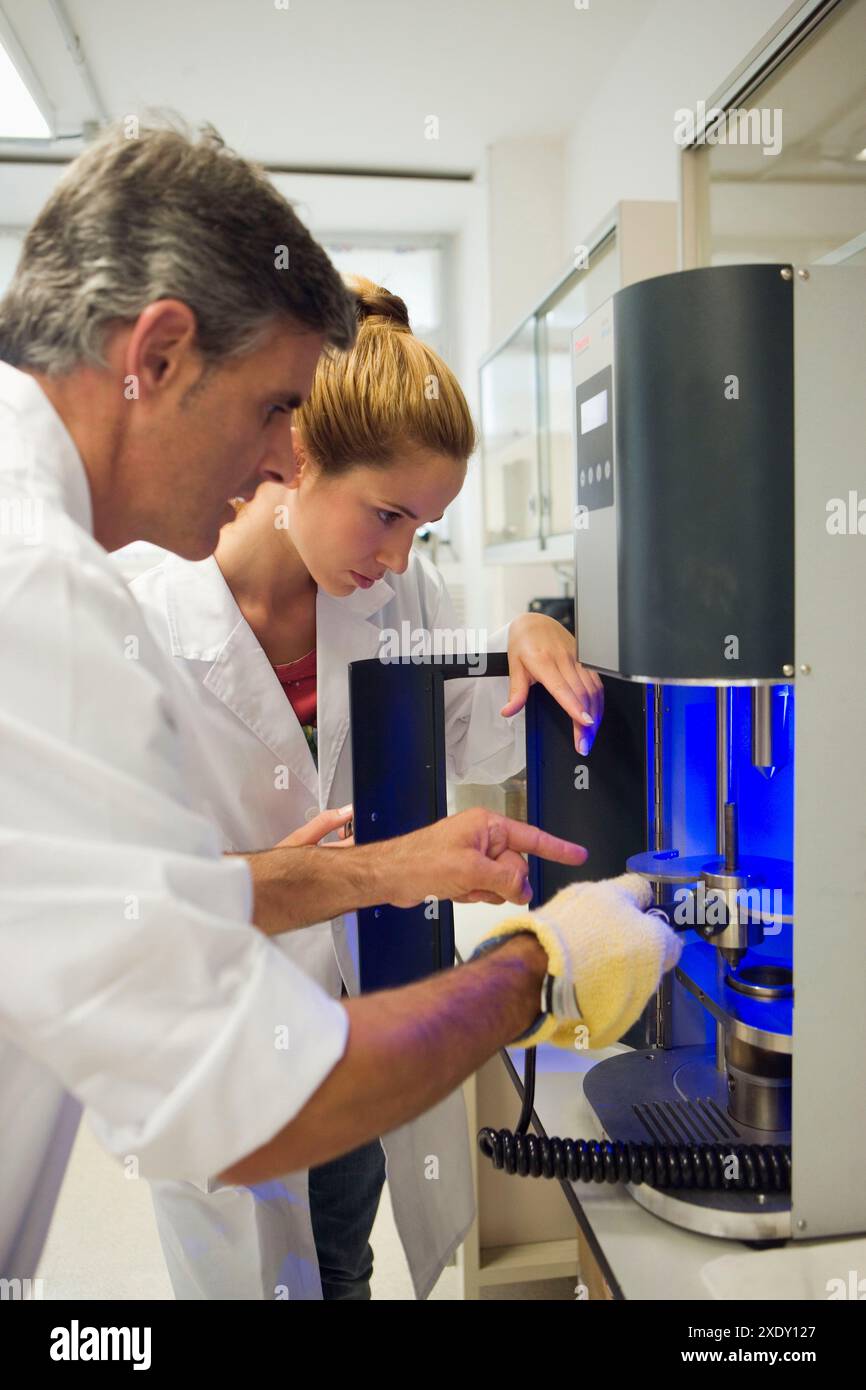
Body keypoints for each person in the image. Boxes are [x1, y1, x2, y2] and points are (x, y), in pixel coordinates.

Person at [0, 121, 679, 1290]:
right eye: (274, 410)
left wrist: (386, 867)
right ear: (156, 356)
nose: (278, 461)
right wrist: (540, 966)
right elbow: (226, 1086)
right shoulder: (51, 587)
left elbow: (151, 894)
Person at [131, 275, 605, 1300]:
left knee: (340, 1262)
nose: (395, 557)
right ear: (296, 456)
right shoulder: (143, 613)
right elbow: (123, 897)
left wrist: (529, 634)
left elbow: (488, 719)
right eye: (384, 513)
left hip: (350, 1019)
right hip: (212, 1040)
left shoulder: (396, 592)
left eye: (419, 528)